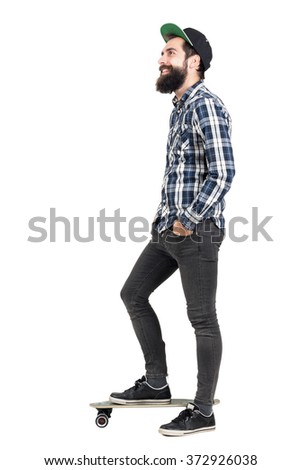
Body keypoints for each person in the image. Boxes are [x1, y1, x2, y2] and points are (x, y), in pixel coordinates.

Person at [109, 23, 235, 436]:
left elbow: (223, 172)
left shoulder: (206, 106)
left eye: (170, 52)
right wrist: (165, 217)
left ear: (193, 61)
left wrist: (190, 218)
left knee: (202, 319)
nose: (161, 59)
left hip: (196, 233)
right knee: (133, 293)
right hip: (168, 230)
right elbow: (180, 172)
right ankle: (156, 383)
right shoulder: (179, 107)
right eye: (162, 54)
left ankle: (202, 412)